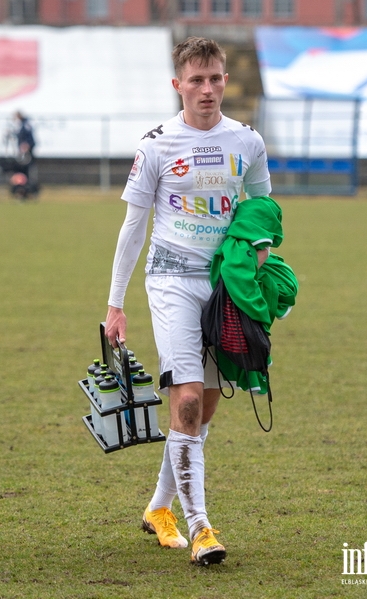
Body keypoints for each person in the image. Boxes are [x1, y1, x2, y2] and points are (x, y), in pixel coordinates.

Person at [104, 37, 272, 567]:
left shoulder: (247, 142)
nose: (207, 89)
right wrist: (115, 304)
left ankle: (159, 509)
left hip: (224, 287)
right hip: (171, 279)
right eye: (196, 80)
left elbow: (262, 213)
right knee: (188, 401)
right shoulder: (156, 145)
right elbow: (133, 228)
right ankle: (201, 528)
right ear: (177, 85)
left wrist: (258, 270)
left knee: (201, 412)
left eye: (215, 78)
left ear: (226, 80)